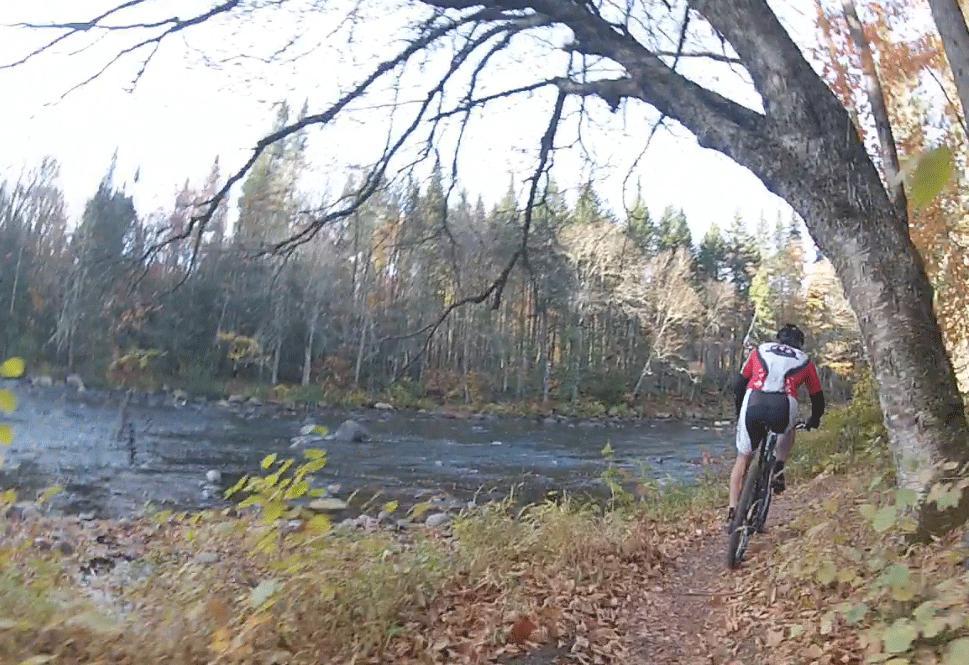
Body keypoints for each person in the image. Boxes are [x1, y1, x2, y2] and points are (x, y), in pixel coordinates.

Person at [726, 324, 825, 529]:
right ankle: (779, 466)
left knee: (743, 458)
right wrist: (814, 420)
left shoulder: (760, 349)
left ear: (778, 339)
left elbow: (739, 383)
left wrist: (739, 412)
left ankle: (733, 508)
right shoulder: (804, 360)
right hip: (783, 404)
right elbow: (817, 397)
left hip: (753, 400)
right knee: (789, 429)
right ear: (799, 343)